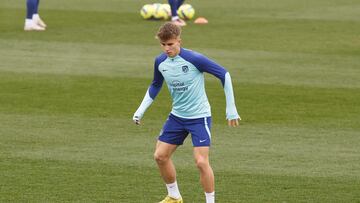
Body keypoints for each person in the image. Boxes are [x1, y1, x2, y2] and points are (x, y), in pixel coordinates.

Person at [133, 22, 240, 203]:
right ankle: (174, 196)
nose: (167, 48)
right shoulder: (160, 62)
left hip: (199, 118)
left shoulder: (194, 59)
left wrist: (231, 109)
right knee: (160, 156)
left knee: (201, 162)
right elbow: (155, 85)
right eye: (163, 45)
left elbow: (224, 74)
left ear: (179, 41)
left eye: (170, 44)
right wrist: (140, 110)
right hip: (177, 117)